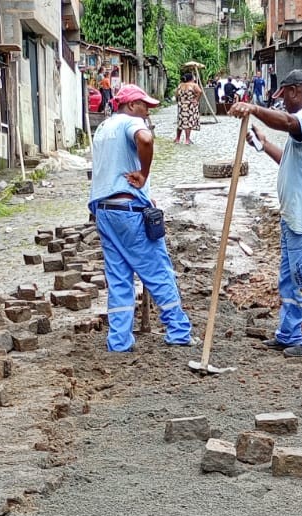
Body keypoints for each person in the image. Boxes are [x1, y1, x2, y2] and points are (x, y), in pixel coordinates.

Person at [230, 69, 302, 358]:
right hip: (294, 217)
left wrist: (254, 108)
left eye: (284, 97)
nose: (283, 104)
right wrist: (264, 145)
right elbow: (288, 160)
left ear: (293, 91)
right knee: (290, 279)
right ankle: (288, 332)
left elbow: (288, 122)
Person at [89, 84, 195, 353]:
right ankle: (178, 330)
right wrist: (144, 175)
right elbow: (146, 140)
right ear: (130, 105)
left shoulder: (103, 128)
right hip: (129, 212)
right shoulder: (131, 122)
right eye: (144, 105)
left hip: (104, 210)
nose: (147, 111)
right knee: (157, 270)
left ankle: (119, 340)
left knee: (118, 278)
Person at [174, 71, 203, 144]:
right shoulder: (193, 85)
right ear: (191, 78)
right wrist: (196, 100)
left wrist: (179, 101)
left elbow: (176, 94)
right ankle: (187, 140)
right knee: (188, 122)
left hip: (181, 105)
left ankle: (177, 139)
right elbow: (200, 91)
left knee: (180, 122)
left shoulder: (180, 85)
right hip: (190, 106)